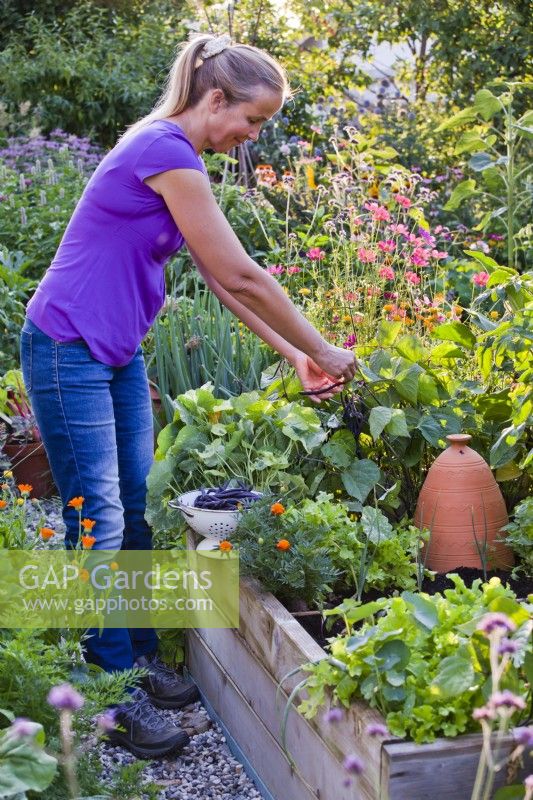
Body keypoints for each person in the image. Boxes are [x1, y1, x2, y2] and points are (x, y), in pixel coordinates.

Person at [20, 32, 356, 758]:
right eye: (253, 119)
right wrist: (327, 348)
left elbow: (216, 277)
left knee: (132, 501)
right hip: (65, 346)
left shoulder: (178, 159)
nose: (251, 137)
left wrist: (297, 354)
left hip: (109, 351)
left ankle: (134, 657)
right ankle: (108, 694)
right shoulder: (162, 150)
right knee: (97, 515)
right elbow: (243, 275)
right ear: (214, 99)